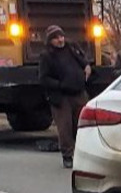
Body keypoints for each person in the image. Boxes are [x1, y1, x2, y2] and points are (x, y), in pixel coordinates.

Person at [39, 25, 91, 168]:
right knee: (65, 127)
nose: (60, 40)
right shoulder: (47, 56)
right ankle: (67, 155)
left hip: (79, 92)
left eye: (61, 36)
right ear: (50, 41)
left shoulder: (72, 47)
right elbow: (43, 78)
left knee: (82, 124)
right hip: (61, 97)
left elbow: (83, 60)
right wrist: (60, 84)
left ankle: (83, 153)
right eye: (56, 38)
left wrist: (87, 66)